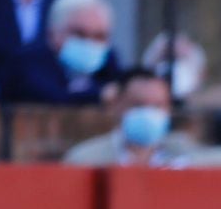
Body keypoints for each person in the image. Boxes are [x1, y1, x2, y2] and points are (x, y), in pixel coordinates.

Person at [62, 70, 196, 167]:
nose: (148, 113)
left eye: (157, 106)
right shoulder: (84, 160)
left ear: (169, 109)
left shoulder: (187, 157)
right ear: (116, 105)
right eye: (138, 105)